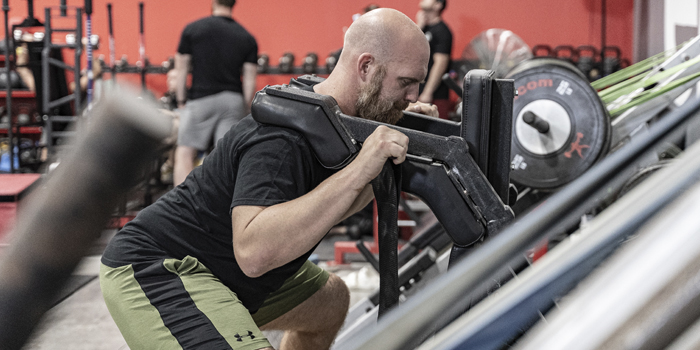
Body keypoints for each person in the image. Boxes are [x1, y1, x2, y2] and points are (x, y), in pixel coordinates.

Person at [99, 8, 434, 350]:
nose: (414, 96)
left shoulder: (336, 120)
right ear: (366, 68)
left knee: (329, 301)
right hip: (162, 267)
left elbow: (336, 207)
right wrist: (361, 168)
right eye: (406, 82)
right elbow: (255, 253)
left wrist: (398, 141)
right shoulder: (283, 139)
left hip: (228, 271)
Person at [173, 0, 258, 186]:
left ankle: (182, 208)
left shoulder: (193, 30)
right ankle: (222, 208)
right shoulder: (246, 37)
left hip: (202, 99)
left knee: (185, 152)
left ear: (213, 2)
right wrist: (245, 109)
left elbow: (181, 70)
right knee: (226, 157)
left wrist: (180, 101)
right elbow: (250, 79)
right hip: (233, 101)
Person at [416, 0, 453, 119]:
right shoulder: (422, 27)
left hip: (434, 96)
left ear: (438, 5)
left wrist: (427, 92)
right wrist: (418, 27)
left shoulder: (442, 31)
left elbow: (440, 63)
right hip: (417, 93)